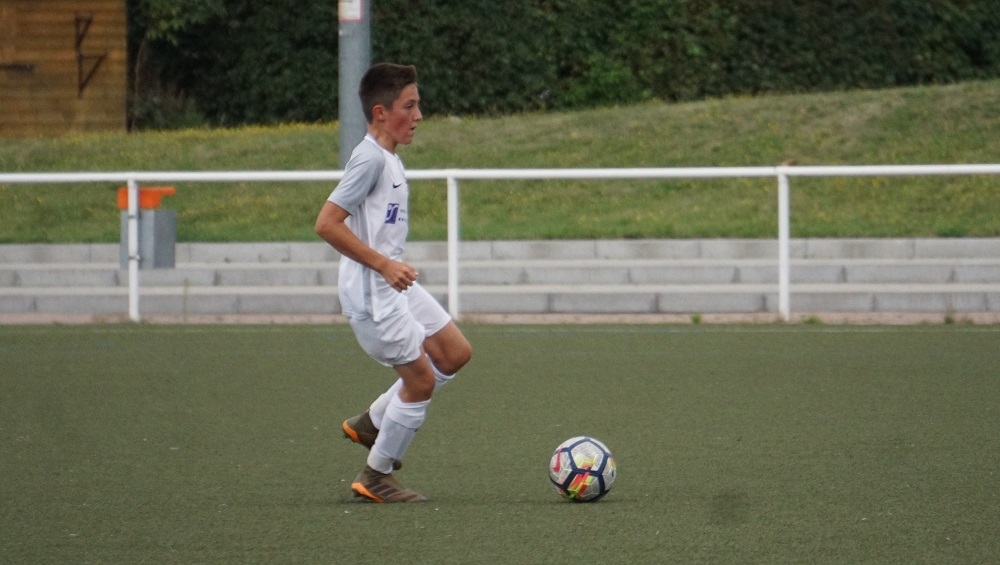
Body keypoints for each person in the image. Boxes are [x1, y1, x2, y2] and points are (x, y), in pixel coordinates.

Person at [315, 63, 472, 503]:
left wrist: (389, 266)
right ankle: (376, 475)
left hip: (392, 285)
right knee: (420, 382)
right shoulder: (369, 159)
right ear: (381, 112)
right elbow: (326, 223)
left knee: (454, 352)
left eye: (418, 104)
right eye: (409, 106)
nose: (418, 115)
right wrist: (384, 265)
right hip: (373, 296)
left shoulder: (388, 157)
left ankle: (373, 422)